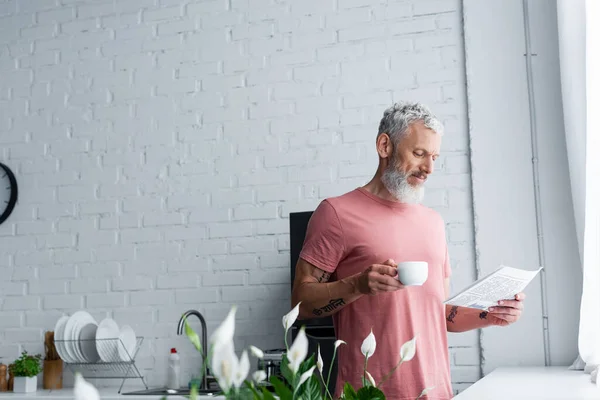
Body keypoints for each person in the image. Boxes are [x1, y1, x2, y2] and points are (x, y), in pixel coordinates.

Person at [290, 102, 526, 400]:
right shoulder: (336, 213)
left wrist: (489, 314)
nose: (429, 168)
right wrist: (358, 285)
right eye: (418, 154)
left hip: (436, 392)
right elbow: (301, 304)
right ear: (385, 145)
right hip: (369, 394)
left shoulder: (433, 222)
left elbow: (438, 314)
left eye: (434, 157)